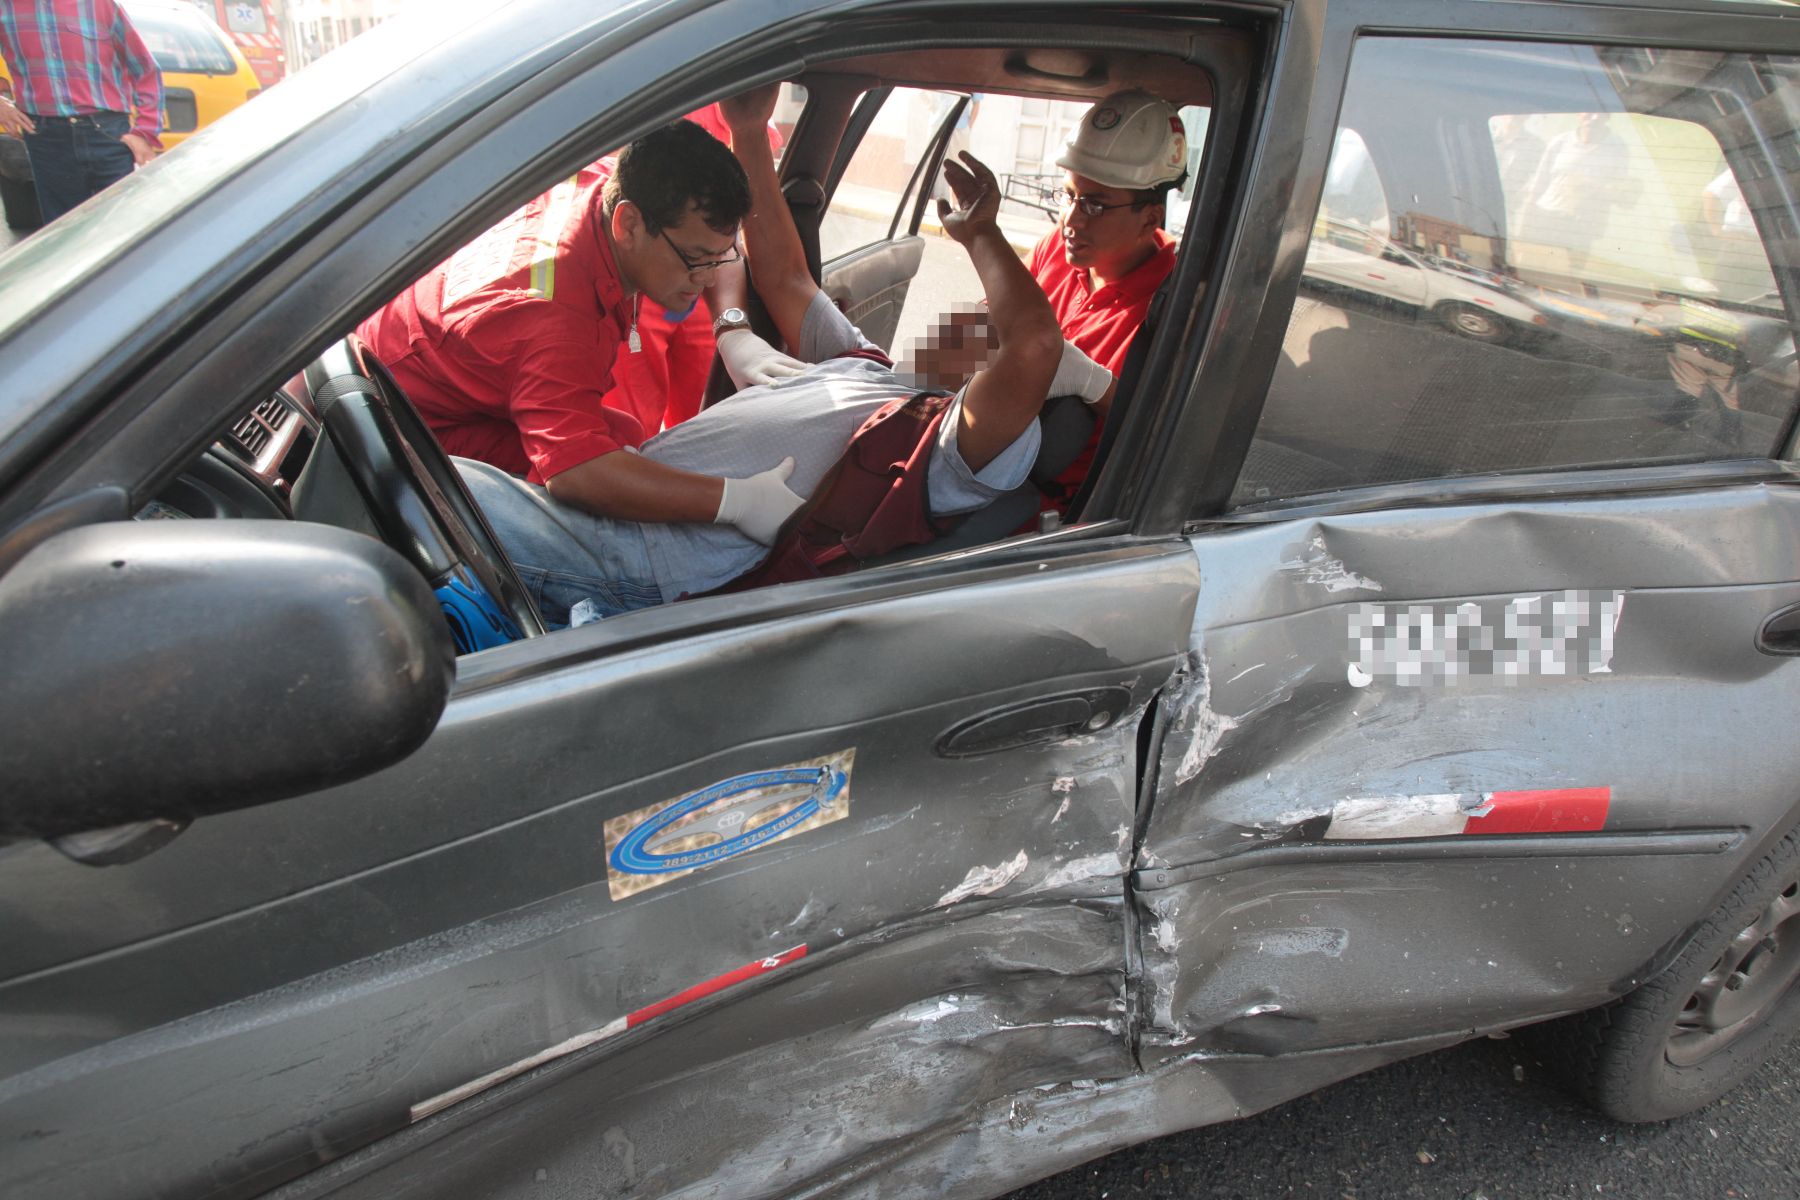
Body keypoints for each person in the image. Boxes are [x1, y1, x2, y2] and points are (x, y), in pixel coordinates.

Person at [460, 88, 1111, 625]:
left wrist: (982, 236)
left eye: (982, 331)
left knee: (422, 492)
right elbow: (785, 278)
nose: (967, 320)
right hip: (628, 509)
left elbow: (1033, 344)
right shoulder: (872, 372)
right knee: (431, 473)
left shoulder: (938, 453)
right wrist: (749, 133)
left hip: (638, 560)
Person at [357, 120, 808, 546]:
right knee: (603, 505)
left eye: (719, 258)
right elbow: (575, 473)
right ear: (629, 225)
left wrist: (733, 330)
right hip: (402, 425)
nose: (708, 278)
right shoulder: (553, 322)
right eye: (695, 259)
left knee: (626, 437)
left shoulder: (602, 184)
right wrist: (734, 502)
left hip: (417, 365)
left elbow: (714, 251)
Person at [1026, 89, 1187, 512]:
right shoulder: (1055, 250)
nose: (1072, 221)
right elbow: (975, 334)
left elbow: (1163, 437)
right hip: (983, 453)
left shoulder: (1174, 304)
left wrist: (1094, 384)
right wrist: (907, 381)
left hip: (1047, 506)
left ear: (1150, 218)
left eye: (1094, 205)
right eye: (1068, 196)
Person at [599, 103, 788, 433]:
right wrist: (727, 490)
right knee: (630, 431)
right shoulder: (671, 73)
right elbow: (577, 461)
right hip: (644, 261)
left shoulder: (742, 96)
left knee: (709, 422)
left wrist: (733, 329)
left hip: (701, 279)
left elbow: (722, 237)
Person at [0, 0, 162, 224]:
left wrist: (144, 133)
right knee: (64, 236)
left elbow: (146, 68)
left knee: (124, 227)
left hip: (109, 134)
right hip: (46, 140)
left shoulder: (100, 5)